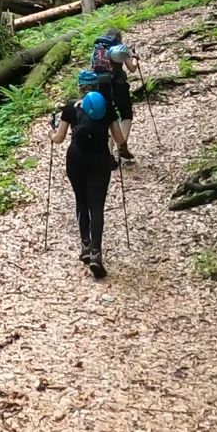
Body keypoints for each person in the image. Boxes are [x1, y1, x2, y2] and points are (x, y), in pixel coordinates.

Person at [51, 74, 117, 278]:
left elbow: (59, 139)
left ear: (80, 87)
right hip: (100, 161)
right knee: (96, 206)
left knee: (81, 201)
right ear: (96, 86)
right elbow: (120, 138)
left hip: (76, 159)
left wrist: (51, 133)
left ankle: (85, 246)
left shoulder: (71, 107)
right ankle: (97, 254)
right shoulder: (107, 107)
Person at [90, 29, 138, 161]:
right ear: (119, 38)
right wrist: (135, 58)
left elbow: (92, 68)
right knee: (126, 114)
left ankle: (109, 154)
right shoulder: (121, 49)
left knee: (109, 118)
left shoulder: (98, 48)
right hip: (119, 86)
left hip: (101, 86)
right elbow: (132, 69)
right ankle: (122, 145)